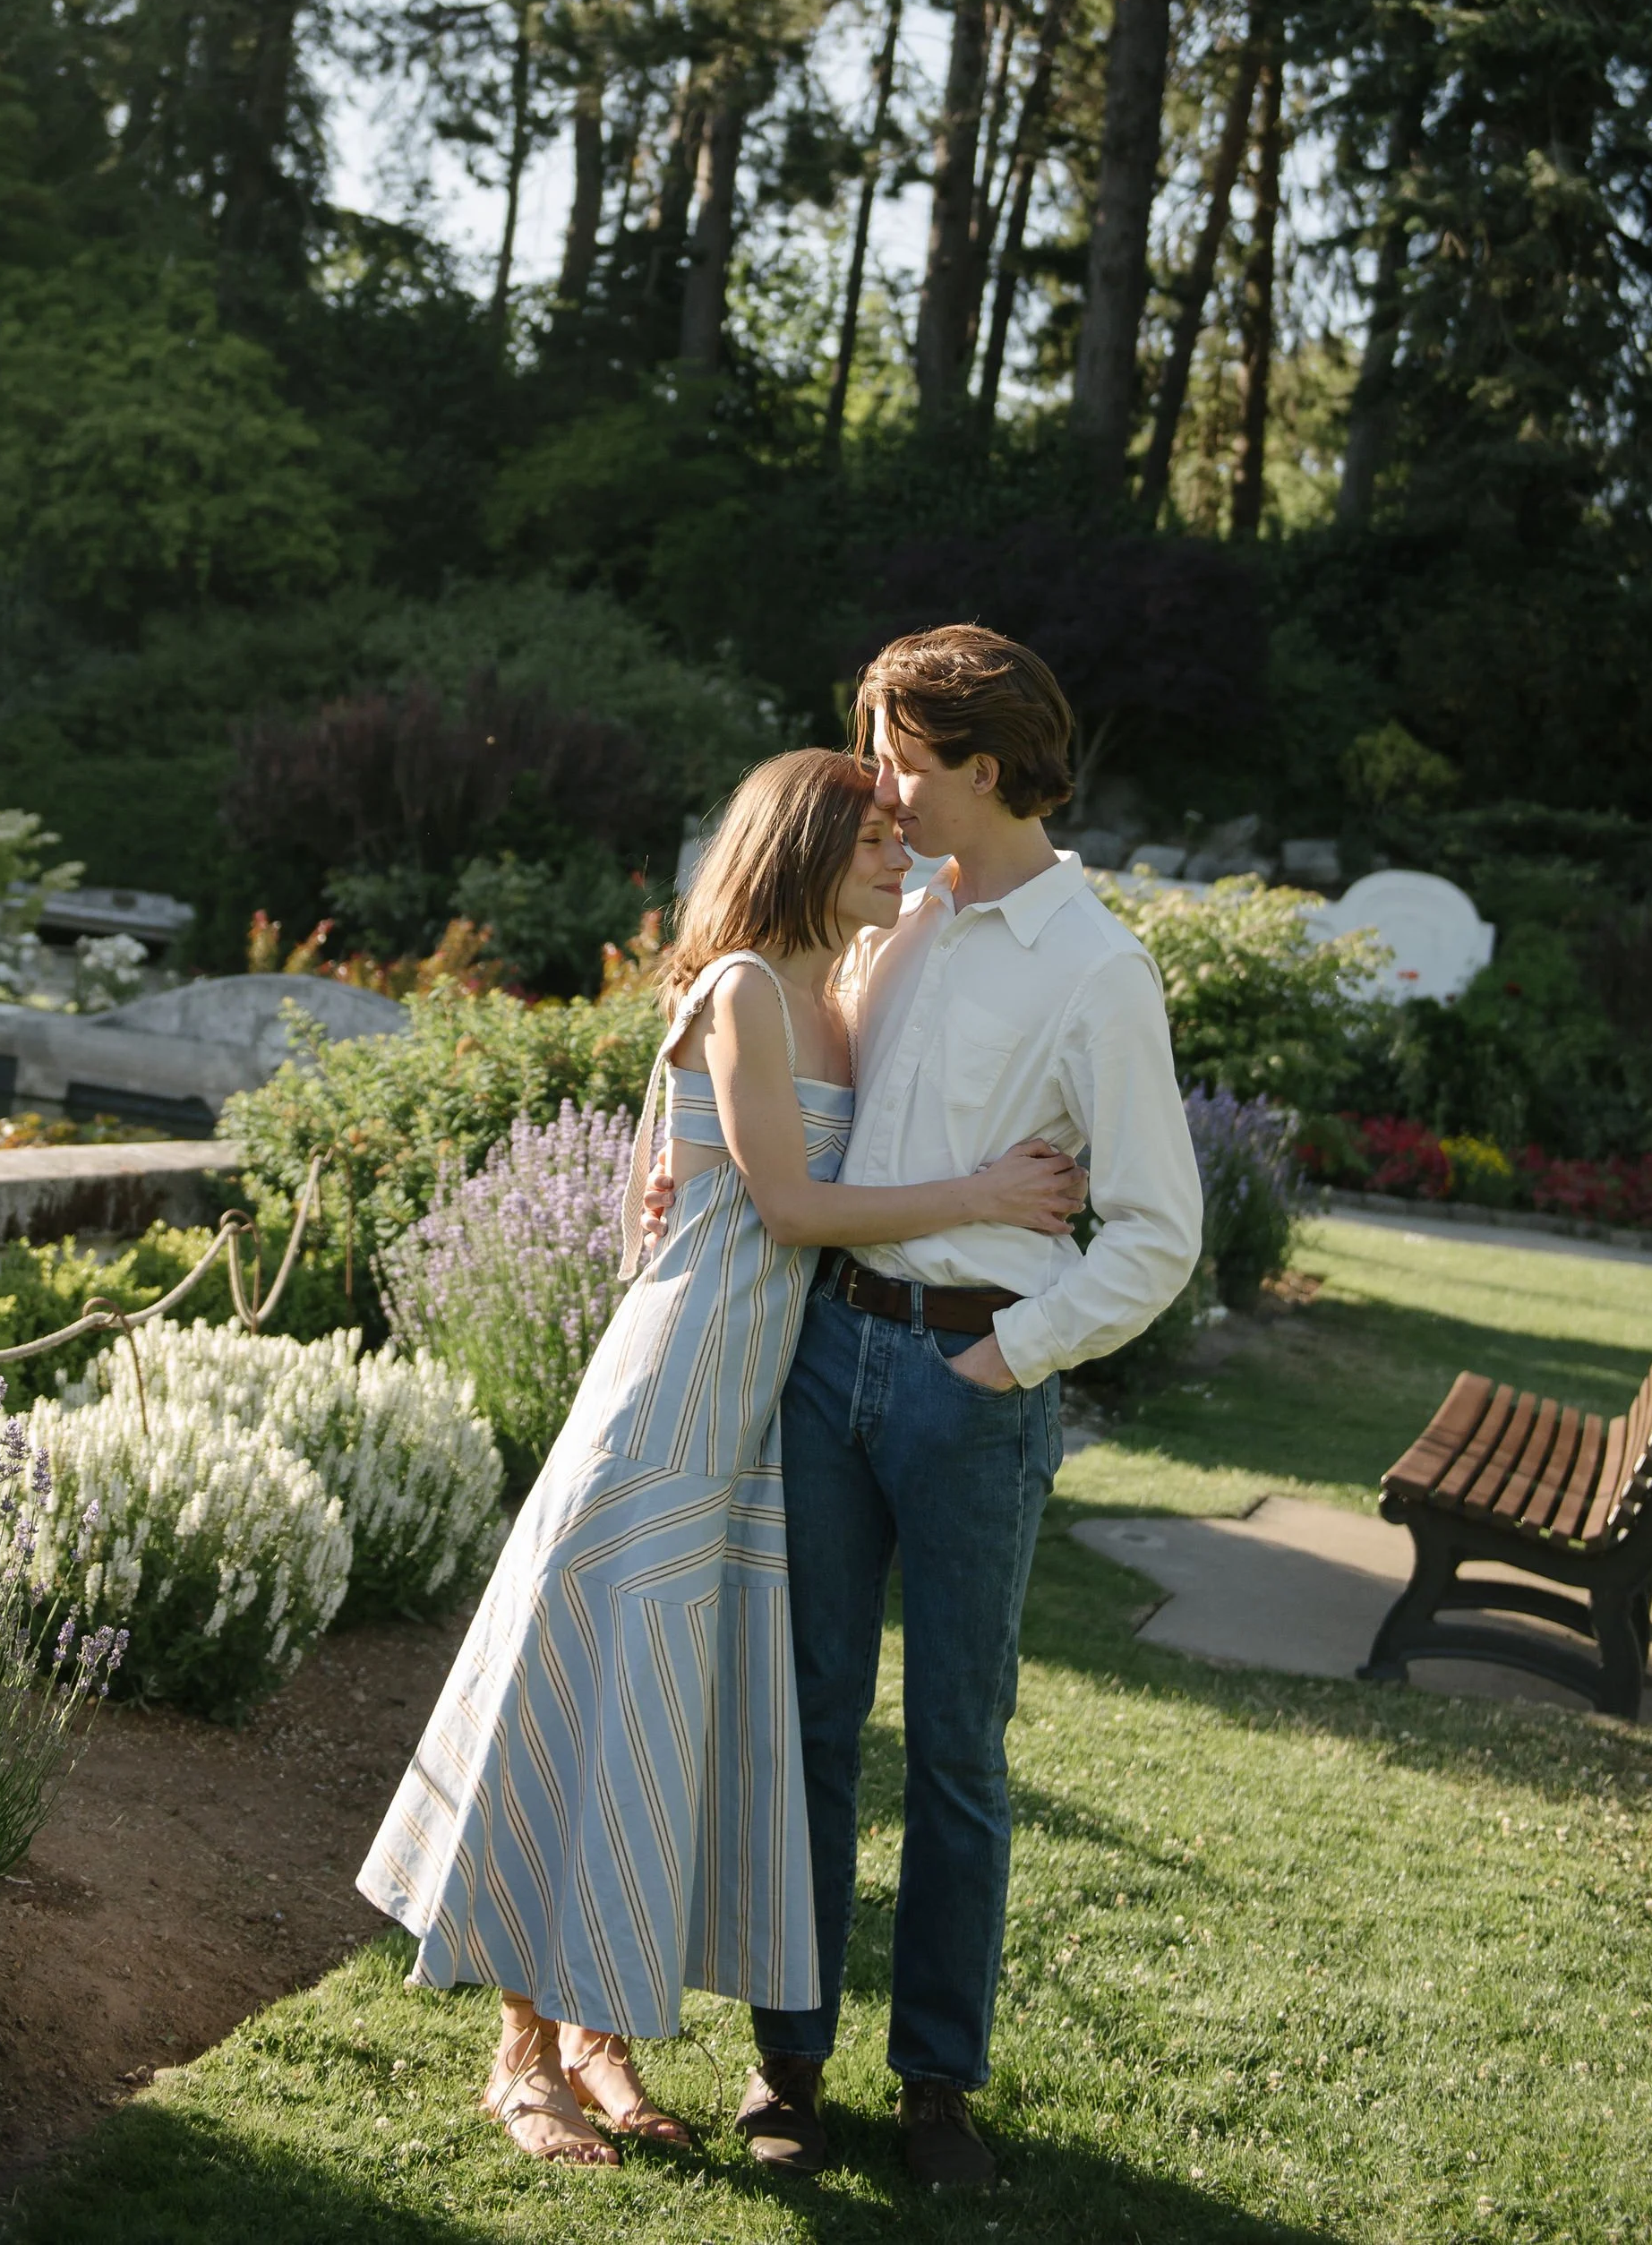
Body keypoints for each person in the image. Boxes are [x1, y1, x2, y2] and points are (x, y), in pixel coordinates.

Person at [356, 745, 1087, 2171]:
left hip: (751, 1415)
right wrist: (993, 1190)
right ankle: (522, 2057)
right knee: (584, 1699)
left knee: (653, 1717)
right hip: (669, 1397)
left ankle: (597, 2037)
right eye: (874, 836)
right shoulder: (752, 986)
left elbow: (977, 889)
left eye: (899, 829)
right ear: (803, 848)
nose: (903, 854)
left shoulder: (835, 993)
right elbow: (798, 1202)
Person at [723, 627, 1203, 2190]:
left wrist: (1010, 1355)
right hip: (826, 1359)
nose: (878, 779)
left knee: (956, 1750)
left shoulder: (1095, 967)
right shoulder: (891, 917)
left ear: (983, 766)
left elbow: (1157, 1228)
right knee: (806, 1717)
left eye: (900, 753)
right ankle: (785, 2062)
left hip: (968, 1384)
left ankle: (936, 2084)